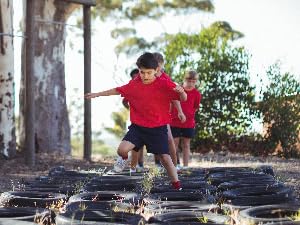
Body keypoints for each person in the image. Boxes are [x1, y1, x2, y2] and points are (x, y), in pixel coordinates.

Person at [84, 52, 186, 190]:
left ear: (157, 71)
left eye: (149, 73)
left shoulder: (164, 84)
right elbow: (117, 90)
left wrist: (182, 92)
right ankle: (124, 160)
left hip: (157, 127)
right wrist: (97, 94)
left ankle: (177, 185)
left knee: (165, 158)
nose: (145, 76)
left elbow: (182, 98)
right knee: (121, 150)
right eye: (142, 72)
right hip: (138, 128)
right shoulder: (134, 84)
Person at [170, 70, 202, 169]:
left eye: (193, 81)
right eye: (189, 81)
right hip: (174, 121)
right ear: (184, 79)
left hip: (188, 123)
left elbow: (195, 107)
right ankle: (174, 166)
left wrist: (189, 116)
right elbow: (172, 103)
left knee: (186, 145)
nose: (191, 83)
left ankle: (186, 166)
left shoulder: (197, 94)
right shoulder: (178, 90)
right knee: (174, 144)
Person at [122, 68, 145, 172]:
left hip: (148, 121)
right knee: (135, 144)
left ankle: (140, 163)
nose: (136, 78)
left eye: (137, 76)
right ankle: (134, 166)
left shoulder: (147, 87)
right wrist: (130, 108)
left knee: (142, 143)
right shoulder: (131, 88)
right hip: (135, 121)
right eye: (133, 77)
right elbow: (124, 101)